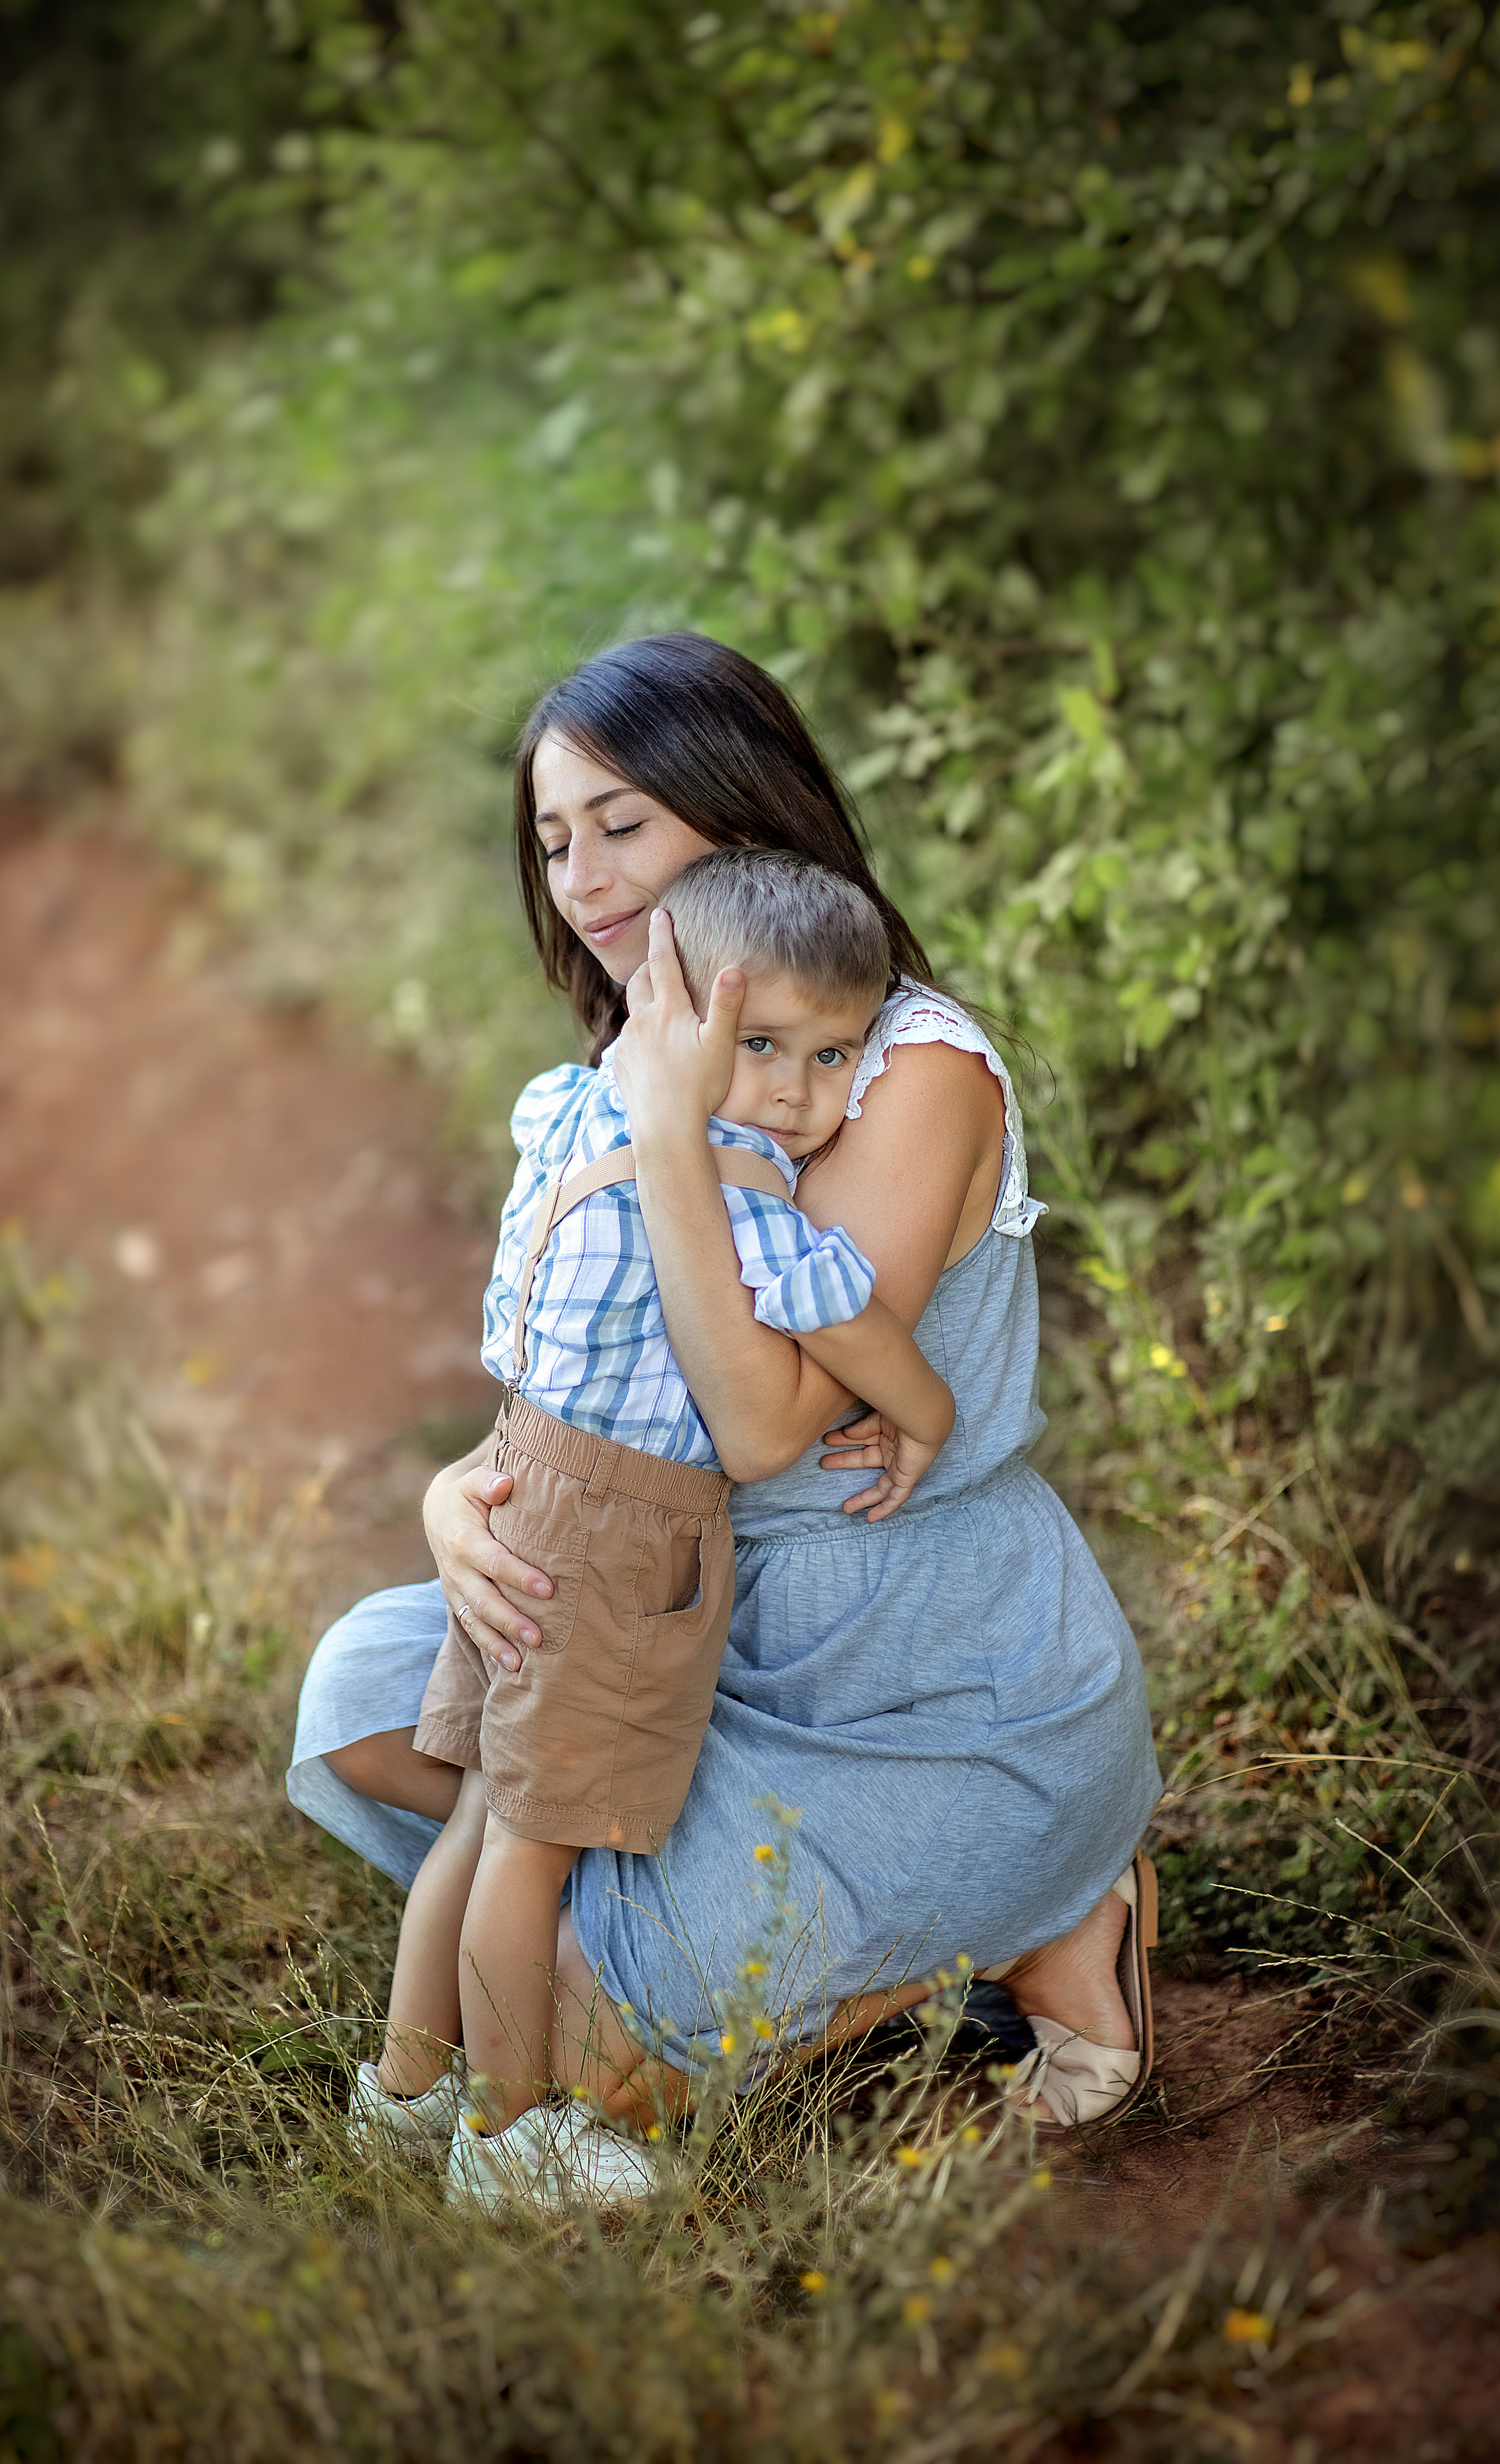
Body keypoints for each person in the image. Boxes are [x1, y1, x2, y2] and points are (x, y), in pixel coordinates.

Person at [287, 632, 1163, 2209]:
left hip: (913, 1676)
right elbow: (584, 1369)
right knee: (362, 1701)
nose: (581, 879)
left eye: (621, 824)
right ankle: (878, 1943)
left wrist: (664, 1136)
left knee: (563, 2027)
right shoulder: (671, 1060)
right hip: (681, 1615)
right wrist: (454, 1506)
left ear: (742, 814)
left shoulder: (892, 1072)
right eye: (552, 841)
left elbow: (763, 1428)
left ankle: (1044, 1908)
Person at [356, 849, 955, 2211]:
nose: (797, 1094)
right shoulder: (737, 1181)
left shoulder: (563, 1109)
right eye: (758, 1045)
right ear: (668, 1010)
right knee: (533, 1840)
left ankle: (401, 2098)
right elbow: (843, 1313)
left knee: (479, 1812)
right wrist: (928, 1410)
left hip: (524, 1478)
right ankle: (507, 2139)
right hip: (621, 1528)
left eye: (831, 1056)